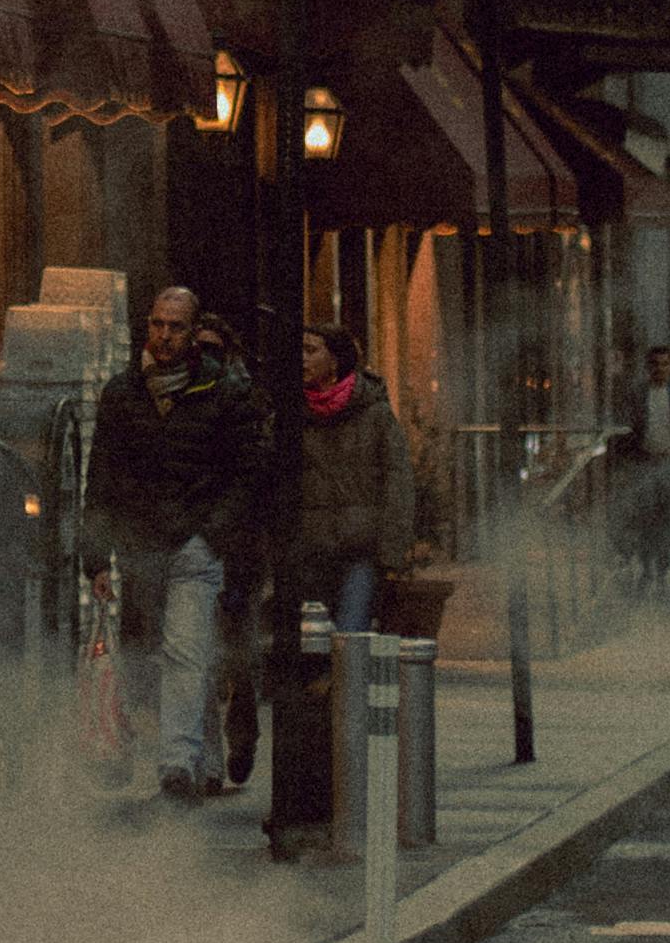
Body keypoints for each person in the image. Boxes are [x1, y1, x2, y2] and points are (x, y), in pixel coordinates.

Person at [78, 280, 273, 803]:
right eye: (157, 324)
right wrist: (96, 557)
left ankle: (176, 764)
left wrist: (213, 533)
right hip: (141, 543)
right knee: (170, 655)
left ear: (193, 332)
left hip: (193, 544)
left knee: (184, 651)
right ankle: (198, 760)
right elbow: (103, 476)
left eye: (176, 327)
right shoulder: (123, 393)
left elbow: (248, 472)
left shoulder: (223, 392)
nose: (164, 336)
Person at [287, 325, 417, 639]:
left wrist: (391, 553)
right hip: (310, 552)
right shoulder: (292, 413)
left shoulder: (374, 414)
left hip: (360, 551)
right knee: (310, 642)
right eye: (299, 350)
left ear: (335, 360)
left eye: (311, 350)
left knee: (350, 637)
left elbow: (398, 481)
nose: (302, 358)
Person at [608, 347, 670, 592]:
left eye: (665, 364)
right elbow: (628, 429)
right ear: (648, 367)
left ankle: (662, 569)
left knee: (663, 517)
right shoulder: (637, 395)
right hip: (644, 462)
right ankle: (647, 567)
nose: (660, 369)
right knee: (646, 517)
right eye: (656, 364)